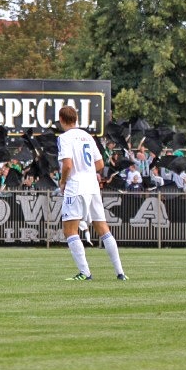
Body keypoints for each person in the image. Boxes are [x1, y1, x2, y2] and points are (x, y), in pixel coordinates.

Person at [56, 105, 127, 281]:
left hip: (76, 186)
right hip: (92, 186)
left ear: (61, 119)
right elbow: (101, 165)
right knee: (103, 228)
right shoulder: (87, 136)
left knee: (70, 231)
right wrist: (87, 171)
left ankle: (85, 272)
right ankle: (120, 272)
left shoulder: (64, 138)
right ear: (76, 119)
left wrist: (63, 181)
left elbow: (68, 165)